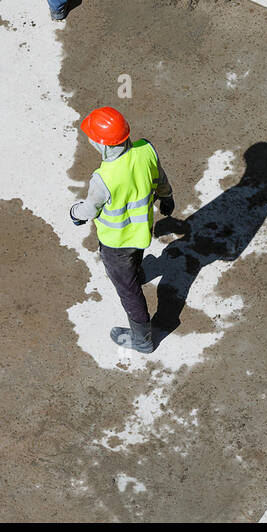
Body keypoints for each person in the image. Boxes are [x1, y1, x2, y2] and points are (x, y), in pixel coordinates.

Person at [69, 107, 174, 353]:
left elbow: (90, 209)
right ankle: (136, 273)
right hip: (141, 233)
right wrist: (166, 196)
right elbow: (160, 177)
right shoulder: (145, 149)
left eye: (93, 139)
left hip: (116, 244)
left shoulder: (103, 178)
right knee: (135, 262)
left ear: (103, 146)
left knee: (129, 292)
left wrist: (74, 213)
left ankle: (142, 340)